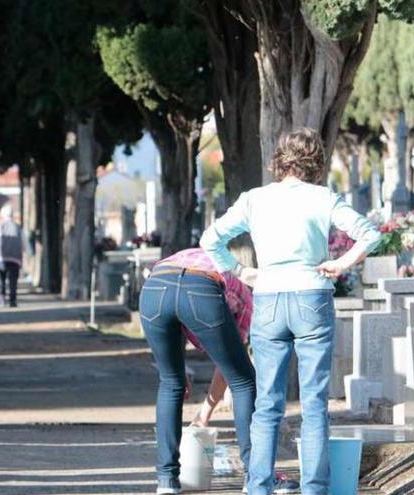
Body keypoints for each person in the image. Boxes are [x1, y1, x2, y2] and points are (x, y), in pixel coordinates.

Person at [200, 128, 381, 495]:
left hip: (268, 295)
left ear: (280, 160)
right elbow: (370, 233)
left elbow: (210, 239)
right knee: (314, 403)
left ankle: (258, 486)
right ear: (316, 160)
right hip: (312, 295)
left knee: (267, 403)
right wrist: (340, 263)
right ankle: (315, 489)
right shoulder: (323, 198)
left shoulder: (254, 199)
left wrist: (241, 272)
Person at [139, 247, 256, 495]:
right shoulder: (246, 296)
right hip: (201, 287)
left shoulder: (198, 255)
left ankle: (167, 481)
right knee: (244, 380)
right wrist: (205, 413)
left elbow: (175, 296)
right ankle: (255, 476)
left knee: (170, 382)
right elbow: (228, 370)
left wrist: (178, 373)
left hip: (154, 286)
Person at [0, 204, 24, 307]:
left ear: (2, 215)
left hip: (1, 257)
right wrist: (27, 253)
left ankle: (2, 299)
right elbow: (24, 241)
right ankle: (13, 301)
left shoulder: (0, 226)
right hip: (15, 258)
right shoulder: (18, 227)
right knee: (13, 280)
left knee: (2, 280)